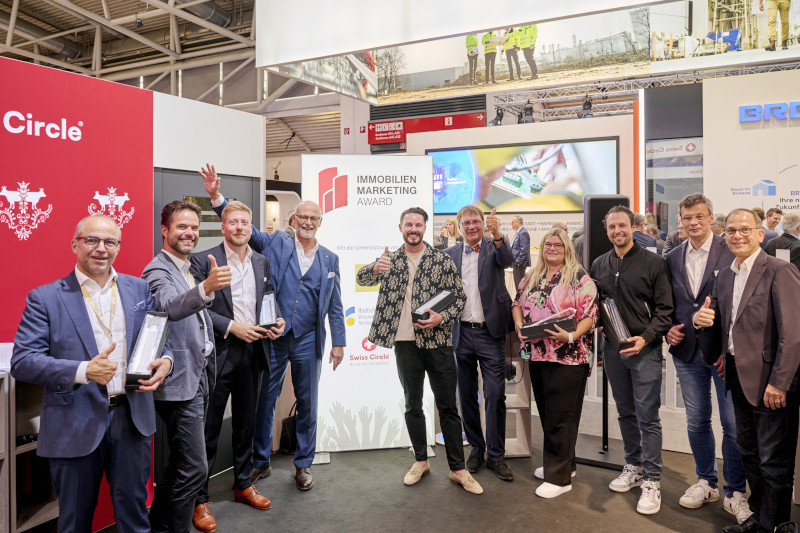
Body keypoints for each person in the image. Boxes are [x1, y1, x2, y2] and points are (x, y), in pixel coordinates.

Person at [11, 215, 173, 533]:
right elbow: (23, 361)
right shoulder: (46, 298)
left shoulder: (138, 288)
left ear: (118, 247)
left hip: (132, 419)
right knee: (74, 521)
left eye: (110, 241)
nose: (101, 248)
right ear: (75, 244)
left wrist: (166, 361)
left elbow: (156, 339)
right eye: (92, 240)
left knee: (135, 518)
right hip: (74, 421)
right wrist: (84, 370)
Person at [200, 164, 345, 492]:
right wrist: (217, 197)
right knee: (265, 399)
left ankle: (303, 464)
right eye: (302, 217)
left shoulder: (330, 260)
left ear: (320, 222)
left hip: (308, 338)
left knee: (308, 403)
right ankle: (260, 461)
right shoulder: (277, 242)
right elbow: (243, 228)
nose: (307, 222)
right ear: (293, 220)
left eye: (313, 218)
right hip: (273, 337)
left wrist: (339, 342)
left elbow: (335, 305)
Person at [356, 207, 482, 495]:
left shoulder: (440, 259)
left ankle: (458, 469)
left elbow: (458, 297)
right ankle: (421, 461)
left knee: (447, 406)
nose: (413, 229)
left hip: (438, 343)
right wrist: (374, 269)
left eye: (418, 225)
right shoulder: (389, 260)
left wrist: (442, 317)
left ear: (425, 228)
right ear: (400, 227)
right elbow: (362, 278)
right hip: (404, 344)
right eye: (408, 224)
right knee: (412, 404)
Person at [695, 208, 800, 533]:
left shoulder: (780, 271)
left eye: (744, 230)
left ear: (760, 234)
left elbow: (794, 334)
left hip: (771, 383)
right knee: (750, 454)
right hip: (737, 378)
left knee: (773, 462)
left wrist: (780, 383)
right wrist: (700, 322)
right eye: (731, 231)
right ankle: (759, 518)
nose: (737, 236)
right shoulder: (725, 275)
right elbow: (722, 324)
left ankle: (775, 525)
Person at [191, 201, 285, 531]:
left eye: (245, 222)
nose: (239, 227)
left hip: (254, 351)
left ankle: (243, 484)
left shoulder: (261, 261)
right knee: (208, 428)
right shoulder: (204, 260)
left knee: (246, 424)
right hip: (218, 353)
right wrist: (232, 327)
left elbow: (268, 296)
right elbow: (197, 308)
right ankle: (199, 499)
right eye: (233, 222)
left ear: (250, 227)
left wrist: (277, 320)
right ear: (223, 226)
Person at [143, 201, 231, 533]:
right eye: (181, 226)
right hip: (179, 381)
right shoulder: (157, 270)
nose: (189, 233)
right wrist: (206, 288)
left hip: (200, 374)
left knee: (182, 462)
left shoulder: (187, 266)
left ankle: (159, 526)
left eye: (194, 227)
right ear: (164, 230)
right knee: (194, 468)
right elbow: (170, 306)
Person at [663, 194, 751, 524]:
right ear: (680, 221)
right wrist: (668, 328)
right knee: (697, 420)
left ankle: (735, 490)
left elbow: (741, 304)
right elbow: (668, 302)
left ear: (711, 217)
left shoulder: (732, 251)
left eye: (699, 216)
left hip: (724, 356)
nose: (693, 222)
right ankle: (706, 482)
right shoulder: (671, 256)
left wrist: (729, 349)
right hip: (687, 352)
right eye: (687, 218)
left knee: (732, 424)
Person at [590, 205, 673, 515]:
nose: (617, 231)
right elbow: (597, 303)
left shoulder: (654, 263)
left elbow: (665, 310)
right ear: (607, 230)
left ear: (633, 227)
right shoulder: (599, 264)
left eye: (622, 225)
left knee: (647, 417)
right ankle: (634, 466)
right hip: (614, 350)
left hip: (645, 351)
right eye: (612, 227)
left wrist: (646, 338)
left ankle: (652, 479)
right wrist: (599, 322)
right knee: (625, 412)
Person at [512, 228, 597, 499]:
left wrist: (570, 336)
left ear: (567, 249)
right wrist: (519, 323)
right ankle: (565, 465)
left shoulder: (580, 278)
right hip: (538, 355)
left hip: (568, 357)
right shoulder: (532, 276)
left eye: (558, 245)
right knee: (549, 414)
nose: (552, 248)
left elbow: (590, 316)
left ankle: (559, 479)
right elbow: (517, 303)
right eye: (548, 244)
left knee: (562, 416)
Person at [443, 205, 515, 482]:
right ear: (459, 226)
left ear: (484, 223)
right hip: (460, 333)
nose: (472, 226)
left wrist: (497, 236)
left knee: (495, 395)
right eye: (467, 222)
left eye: (476, 221)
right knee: (466, 396)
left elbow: (507, 260)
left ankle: (496, 456)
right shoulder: (450, 255)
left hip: (490, 333)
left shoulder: (493, 247)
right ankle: (476, 447)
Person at [511, 215, 531, 287]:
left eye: (512, 222)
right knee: (518, 284)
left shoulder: (523, 233)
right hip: (516, 263)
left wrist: (518, 262)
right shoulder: (518, 233)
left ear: (518, 222)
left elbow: (524, 249)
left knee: (520, 285)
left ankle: (520, 295)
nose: (511, 224)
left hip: (520, 264)